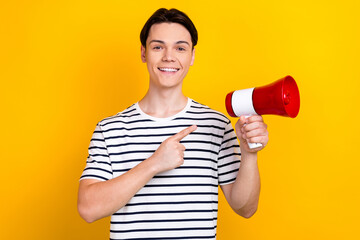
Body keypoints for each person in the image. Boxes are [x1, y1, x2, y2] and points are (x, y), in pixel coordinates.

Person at [78, 8, 269, 240]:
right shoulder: (109, 129)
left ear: (192, 56)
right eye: (158, 46)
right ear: (143, 53)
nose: (169, 56)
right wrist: (154, 163)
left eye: (180, 48)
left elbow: (245, 208)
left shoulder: (216, 125)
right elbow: (88, 209)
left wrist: (249, 154)